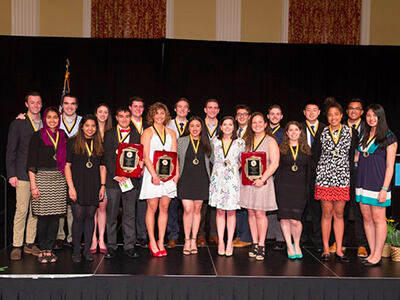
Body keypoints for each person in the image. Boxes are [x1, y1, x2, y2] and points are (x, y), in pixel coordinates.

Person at [315, 98, 358, 263]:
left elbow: (354, 153)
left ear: (341, 115)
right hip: (325, 176)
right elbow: (317, 155)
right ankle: (326, 249)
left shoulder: (351, 132)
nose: (333, 118)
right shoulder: (322, 132)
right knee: (326, 213)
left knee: (339, 214)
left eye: (336, 114)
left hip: (342, 176)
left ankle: (339, 249)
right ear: (327, 117)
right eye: (330, 115)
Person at [356, 104, 397, 267]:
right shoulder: (363, 134)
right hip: (362, 182)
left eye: (375, 115)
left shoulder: (389, 137)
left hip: (378, 184)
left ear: (380, 117)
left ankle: (378, 254)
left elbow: (390, 166)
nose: (371, 118)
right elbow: (359, 157)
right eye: (368, 115)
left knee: (378, 218)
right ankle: (372, 252)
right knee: (366, 218)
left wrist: (384, 188)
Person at [27, 107, 67, 263]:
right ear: (45, 119)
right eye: (49, 117)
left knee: (55, 217)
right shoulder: (37, 136)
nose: (52, 120)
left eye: (55, 117)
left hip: (59, 179)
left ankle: (50, 249)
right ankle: (42, 249)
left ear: (59, 119)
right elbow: (31, 163)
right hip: (42, 179)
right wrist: (33, 186)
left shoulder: (63, 136)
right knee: (43, 217)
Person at [65, 115, 107, 262]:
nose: (90, 128)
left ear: (96, 128)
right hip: (77, 185)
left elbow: (102, 167)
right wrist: (71, 187)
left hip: (94, 185)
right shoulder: (72, 142)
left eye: (93, 126)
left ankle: (87, 250)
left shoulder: (99, 144)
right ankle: (76, 250)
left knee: (90, 217)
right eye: (87, 125)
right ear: (82, 126)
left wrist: (102, 186)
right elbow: (67, 166)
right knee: (78, 217)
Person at [6, 92, 42, 260]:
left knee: (35, 211)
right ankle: (17, 245)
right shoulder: (18, 123)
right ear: (26, 104)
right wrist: (11, 174)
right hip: (21, 173)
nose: (35, 105)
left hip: (40, 174)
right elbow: (11, 150)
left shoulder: (45, 123)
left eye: (38, 102)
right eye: (32, 102)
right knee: (21, 210)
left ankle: (29, 243)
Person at [140, 102, 178, 257]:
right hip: (152, 175)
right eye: (157, 113)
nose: (160, 116)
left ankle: (161, 241)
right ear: (152, 115)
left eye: (163, 113)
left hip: (168, 175)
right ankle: (152, 241)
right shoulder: (147, 132)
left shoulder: (171, 133)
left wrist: (176, 174)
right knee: (152, 207)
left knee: (164, 207)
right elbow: (145, 156)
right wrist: (154, 175)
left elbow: (174, 155)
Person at [103, 107, 142, 259]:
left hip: (131, 181)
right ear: (117, 118)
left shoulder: (137, 136)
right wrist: (116, 175)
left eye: (127, 116)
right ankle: (111, 246)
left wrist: (140, 165)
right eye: (121, 116)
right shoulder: (110, 134)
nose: (124, 119)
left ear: (130, 118)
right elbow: (107, 157)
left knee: (129, 214)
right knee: (112, 214)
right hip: (114, 181)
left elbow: (139, 157)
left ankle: (129, 246)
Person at [240, 112, 279, 260]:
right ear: (251, 125)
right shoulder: (246, 141)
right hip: (247, 183)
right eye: (254, 122)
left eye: (260, 122)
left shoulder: (270, 141)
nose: (257, 125)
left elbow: (275, 163)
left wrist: (262, 179)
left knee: (260, 213)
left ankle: (262, 245)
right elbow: (241, 160)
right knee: (250, 212)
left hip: (263, 183)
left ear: (265, 124)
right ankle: (254, 243)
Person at [335, 98, 368, 258]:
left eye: (357, 109)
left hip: (359, 173)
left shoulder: (368, 128)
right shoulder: (337, 128)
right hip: (339, 173)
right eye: (350, 108)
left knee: (359, 208)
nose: (353, 111)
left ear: (362, 112)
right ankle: (339, 242)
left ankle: (361, 244)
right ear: (346, 112)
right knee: (340, 209)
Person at [209, 116, 245, 256]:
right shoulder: (215, 141)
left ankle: (229, 241)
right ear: (221, 126)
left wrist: (237, 166)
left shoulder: (240, 143)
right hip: (218, 179)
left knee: (231, 211)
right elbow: (211, 158)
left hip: (232, 180)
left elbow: (243, 159)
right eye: (225, 124)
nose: (228, 127)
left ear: (234, 127)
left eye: (230, 124)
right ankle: (221, 241)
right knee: (219, 211)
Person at [177, 116, 212, 255]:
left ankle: (193, 239)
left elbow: (215, 160)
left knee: (197, 210)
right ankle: (186, 240)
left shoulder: (207, 142)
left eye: (198, 126)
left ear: (201, 128)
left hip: (202, 179)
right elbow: (175, 159)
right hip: (185, 179)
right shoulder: (181, 141)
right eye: (192, 126)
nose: (195, 128)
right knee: (187, 209)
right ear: (188, 127)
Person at [276, 121, 311, 259]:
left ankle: (297, 244)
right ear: (286, 133)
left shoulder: (307, 150)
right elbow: (278, 171)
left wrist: (307, 190)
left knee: (296, 220)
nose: (293, 132)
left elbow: (309, 173)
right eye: (290, 130)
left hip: (300, 189)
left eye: (296, 130)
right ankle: (289, 246)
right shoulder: (281, 149)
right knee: (284, 219)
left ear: (300, 132)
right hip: (283, 188)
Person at [55, 94, 82, 250]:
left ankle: (73, 236)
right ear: (62, 105)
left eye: (72, 104)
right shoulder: (54, 120)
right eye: (66, 103)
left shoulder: (82, 122)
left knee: (73, 203)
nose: (69, 106)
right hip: (57, 167)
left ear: (77, 106)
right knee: (59, 202)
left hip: (76, 168)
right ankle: (59, 236)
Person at [165, 97, 191, 248]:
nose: (182, 109)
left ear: (188, 110)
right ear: (175, 109)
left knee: (193, 206)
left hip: (189, 170)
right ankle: (173, 235)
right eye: (179, 107)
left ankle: (195, 235)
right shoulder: (167, 125)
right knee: (172, 204)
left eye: (185, 107)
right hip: (171, 169)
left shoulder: (195, 125)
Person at [301, 101, 326, 252]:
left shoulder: (325, 128)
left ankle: (319, 240)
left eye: (314, 110)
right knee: (301, 207)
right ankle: (301, 238)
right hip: (301, 172)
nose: (311, 113)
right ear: (304, 112)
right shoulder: (297, 128)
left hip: (320, 173)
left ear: (319, 112)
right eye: (308, 110)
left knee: (318, 208)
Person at [90, 103, 113, 254]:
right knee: (92, 208)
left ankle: (101, 239)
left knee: (102, 207)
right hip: (90, 173)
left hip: (106, 174)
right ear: (96, 113)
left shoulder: (112, 132)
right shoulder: (89, 129)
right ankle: (92, 238)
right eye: (100, 112)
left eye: (106, 112)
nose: (103, 115)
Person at [198, 98, 220, 246]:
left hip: (219, 168)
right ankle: (200, 234)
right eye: (209, 107)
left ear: (218, 110)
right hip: (201, 166)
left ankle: (214, 233)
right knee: (202, 201)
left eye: (215, 108)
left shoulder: (224, 126)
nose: (212, 110)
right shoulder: (199, 125)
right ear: (205, 110)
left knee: (216, 201)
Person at [128, 96, 150, 248]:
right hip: (127, 171)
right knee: (128, 205)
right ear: (130, 108)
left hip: (145, 170)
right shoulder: (123, 124)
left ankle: (142, 234)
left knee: (142, 203)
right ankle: (129, 235)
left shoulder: (149, 126)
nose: (138, 109)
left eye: (141, 106)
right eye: (135, 106)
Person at [266, 104, 285, 250]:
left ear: (281, 117)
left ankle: (280, 237)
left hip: (279, 173)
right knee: (265, 205)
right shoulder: (260, 131)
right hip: (262, 174)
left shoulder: (285, 133)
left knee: (278, 205)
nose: (275, 116)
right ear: (268, 116)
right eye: (272, 114)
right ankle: (268, 235)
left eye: (277, 114)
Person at [233, 104, 252, 248]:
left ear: (249, 117)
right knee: (237, 204)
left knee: (247, 205)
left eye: (244, 114)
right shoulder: (233, 132)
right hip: (233, 173)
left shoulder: (253, 133)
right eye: (239, 114)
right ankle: (239, 234)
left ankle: (247, 236)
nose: (241, 117)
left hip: (247, 172)